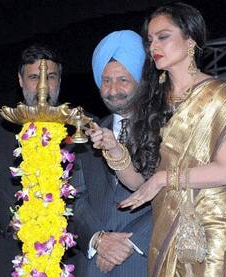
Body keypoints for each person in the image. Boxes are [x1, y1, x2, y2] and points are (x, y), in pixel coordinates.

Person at [89, 3, 226, 276]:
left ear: (190, 40)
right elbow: (140, 183)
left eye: (163, 36)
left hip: (213, 232)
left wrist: (164, 179)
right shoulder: (153, 104)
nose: (153, 46)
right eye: (150, 40)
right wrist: (115, 150)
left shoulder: (222, 96)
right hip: (166, 235)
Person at [0, 44, 62, 277]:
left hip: (63, 250)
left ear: (59, 80)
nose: (42, 85)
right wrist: (15, 220)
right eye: (33, 77)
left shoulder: (78, 125)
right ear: (20, 81)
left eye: (50, 77)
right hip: (8, 249)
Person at [71, 30, 151, 277]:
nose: (113, 89)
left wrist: (132, 241)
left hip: (144, 260)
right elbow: (75, 196)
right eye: (106, 81)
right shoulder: (87, 132)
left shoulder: (165, 128)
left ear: (140, 80)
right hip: (95, 264)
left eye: (123, 80)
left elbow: (175, 193)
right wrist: (99, 239)